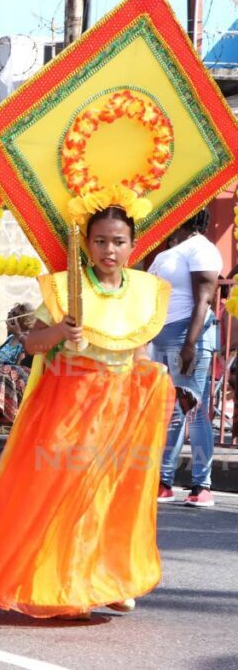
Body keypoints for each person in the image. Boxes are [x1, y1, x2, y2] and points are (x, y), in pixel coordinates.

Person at [0, 195, 174, 620]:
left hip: (120, 407)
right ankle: (64, 582)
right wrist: (62, 330)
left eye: (118, 241)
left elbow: (138, 351)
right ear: (85, 243)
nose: (109, 250)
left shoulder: (142, 292)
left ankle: (104, 576)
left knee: (109, 493)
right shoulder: (68, 288)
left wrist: (150, 387)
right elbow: (31, 344)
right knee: (62, 491)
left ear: (132, 245)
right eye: (99, 241)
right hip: (72, 402)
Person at [148, 210, 221, 507]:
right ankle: (164, 482)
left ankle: (200, 485)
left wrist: (189, 344)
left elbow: (204, 298)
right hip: (163, 336)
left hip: (187, 335)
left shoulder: (201, 247)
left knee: (193, 411)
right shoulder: (170, 248)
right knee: (173, 409)